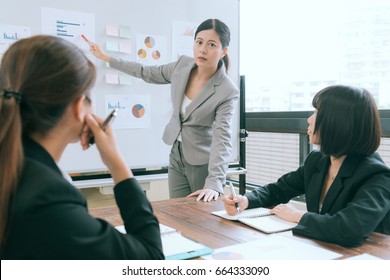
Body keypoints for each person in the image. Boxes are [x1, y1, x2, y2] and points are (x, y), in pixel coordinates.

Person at [0, 35, 164, 259]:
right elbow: (150, 258)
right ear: (79, 107)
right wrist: (116, 161)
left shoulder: (17, 166)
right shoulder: (48, 197)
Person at [90, 19, 239, 202]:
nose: (202, 50)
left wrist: (214, 182)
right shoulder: (182, 66)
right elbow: (145, 71)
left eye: (211, 44)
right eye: (199, 42)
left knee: (202, 219)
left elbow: (222, 137)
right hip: (177, 154)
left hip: (203, 164)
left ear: (223, 51)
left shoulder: (227, 90)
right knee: (176, 213)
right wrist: (107, 59)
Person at [223, 85, 390, 247]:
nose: (309, 120)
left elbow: (349, 229)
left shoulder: (377, 175)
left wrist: (297, 215)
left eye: (317, 113)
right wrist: (245, 200)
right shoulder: (318, 160)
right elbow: (279, 189)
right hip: (322, 249)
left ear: (339, 122)